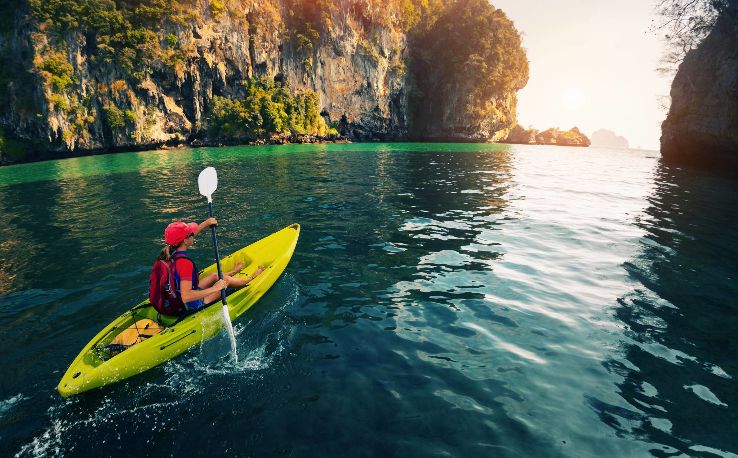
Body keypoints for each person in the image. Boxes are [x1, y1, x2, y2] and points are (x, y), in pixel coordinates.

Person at [159, 218, 265, 313]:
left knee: (214, 276)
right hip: (192, 304)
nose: (193, 234)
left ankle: (233, 272)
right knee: (225, 281)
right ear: (185, 240)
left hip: (175, 298)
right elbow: (186, 297)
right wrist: (215, 288)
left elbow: (187, 236)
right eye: (190, 234)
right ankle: (251, 279)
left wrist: (206, 223)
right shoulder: (184, 264)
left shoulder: (168, 252)